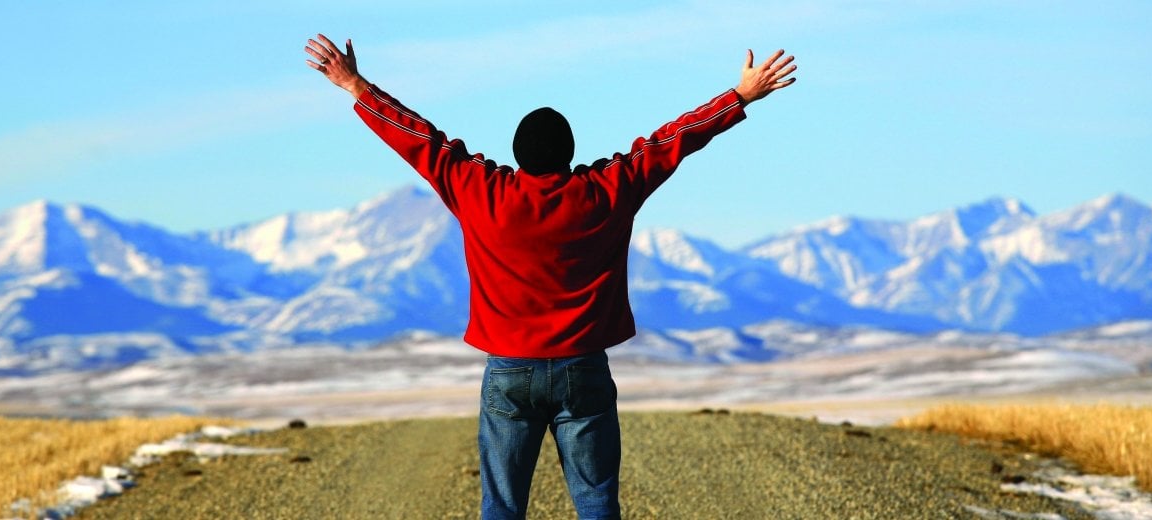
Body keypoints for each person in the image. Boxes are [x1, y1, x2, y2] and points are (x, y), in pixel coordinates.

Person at [304, 34, 795, 520]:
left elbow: (418, 139)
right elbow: (672, 141)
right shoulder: (607, 190)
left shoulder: (480, 190)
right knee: (597, 502)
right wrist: (740, 97)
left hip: (510, 370)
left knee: (501, 507)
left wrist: (354, 84)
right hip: (583, 368)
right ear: (570, 152)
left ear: (516, 154)